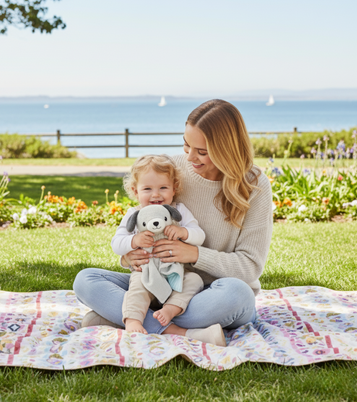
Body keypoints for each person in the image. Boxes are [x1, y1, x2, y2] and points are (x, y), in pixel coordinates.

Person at [73, 99, 273, 344]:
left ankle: (123, 318)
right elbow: (144, 220)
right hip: (160, 284)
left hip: (211, 294)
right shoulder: (173, 169)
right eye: (186, 145)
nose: (190, 158)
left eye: (202, 152)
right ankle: (178, 332)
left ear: (226, 150)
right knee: (86, 280)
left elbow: (250, 267)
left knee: (238, 294)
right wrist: (129, 257)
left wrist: (194, 254)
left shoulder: (254, 186)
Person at [112, 154, 216, 341]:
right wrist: (134, 241)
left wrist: (183, 232)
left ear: (174, 189)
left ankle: (169, 310)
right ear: (136, 192)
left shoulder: (179, 211)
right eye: (147, 189)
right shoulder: (133, 214)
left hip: (175, 272)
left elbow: (199, 235)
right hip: (146, 272)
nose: (156, 194)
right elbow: (116, 243)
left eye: (163, 188)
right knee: (136, 287)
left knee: (194, 280)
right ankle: (133, 320)